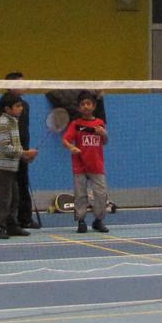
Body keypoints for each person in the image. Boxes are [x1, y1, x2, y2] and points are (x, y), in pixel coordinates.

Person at [0, 72, 41, 230]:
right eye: (19, 83)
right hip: (9, 154)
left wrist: (26, 152)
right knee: (9, 190)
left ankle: (24, 218)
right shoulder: (4, 105)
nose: (24, 86)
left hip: (22, 151)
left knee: (22, 184)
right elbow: (3, 134)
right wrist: (19, 151)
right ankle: (6, 222)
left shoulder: (25, 106)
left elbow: (23, 131)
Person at [64, 92, 111, 234]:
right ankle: (81, 221)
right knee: (80, 195)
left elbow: (105, 142)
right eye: (83, 104)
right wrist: (71, 147)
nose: (86, 106)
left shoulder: (99, 123)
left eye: (88, 104)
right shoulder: (75, 124)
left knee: (101, 194)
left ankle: (98, 220)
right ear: (79, 108)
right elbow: (65, 139)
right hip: (79, 165)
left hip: (97, 165)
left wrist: (104, 134)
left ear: (94, 106)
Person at [0, 93, 35, 238]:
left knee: (14, 197)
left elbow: (14, 146)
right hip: (3, 166)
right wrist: (24, 153)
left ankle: (11, 225)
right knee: (4, 198)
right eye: (18, 106)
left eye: (21, 105)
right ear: (7, 109)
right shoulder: (3, 123)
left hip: (12, 165)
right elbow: (5, 147)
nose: (21, 108)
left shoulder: (14, 121)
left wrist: (24, 156)